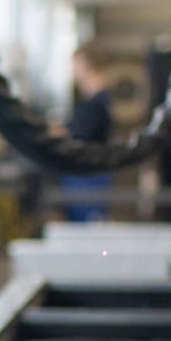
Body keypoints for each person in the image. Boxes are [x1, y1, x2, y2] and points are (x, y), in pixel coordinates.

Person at [59, 38, 116, 222]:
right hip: (83, 176)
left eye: (76, 65)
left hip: (88, 179)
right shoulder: (92, 102)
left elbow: (79, 136)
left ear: (86, 65)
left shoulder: (96, 104)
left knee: (89, 226)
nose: (73, 71)